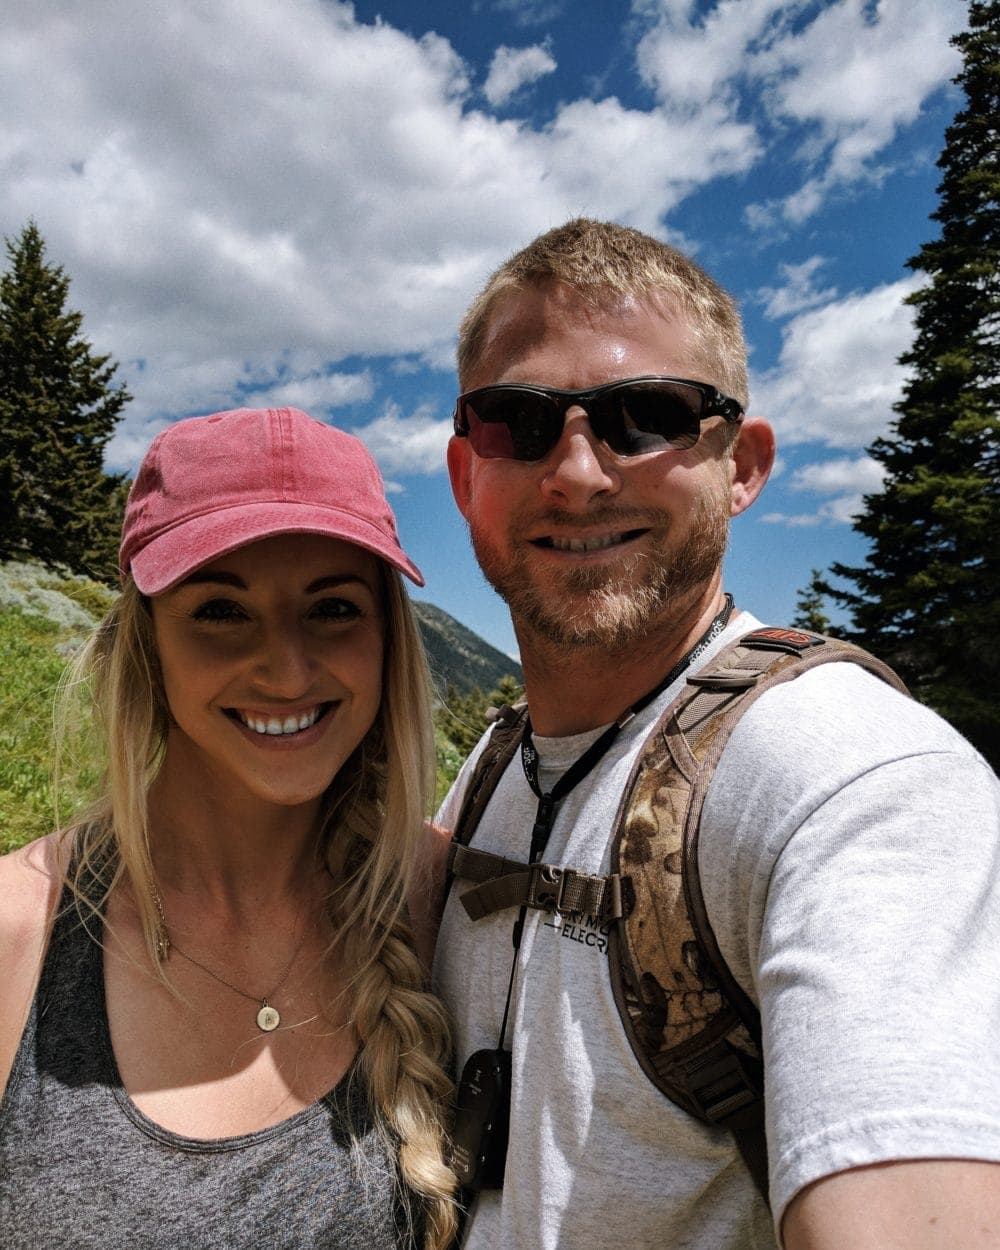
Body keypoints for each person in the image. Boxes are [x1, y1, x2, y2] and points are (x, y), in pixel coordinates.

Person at [433, 218, 1000, 1249]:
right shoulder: (486, 768)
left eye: (643, 416)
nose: (576, 472)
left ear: (741, 464)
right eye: (516, 421)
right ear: (466, 471)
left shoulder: (855, 779)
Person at [0, 406, 458, 1249]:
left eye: (333, 609)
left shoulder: (447, 905)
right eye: (220, 611)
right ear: (146, 643)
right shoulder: (17, 930)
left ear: (387, 639)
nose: (286, 668)